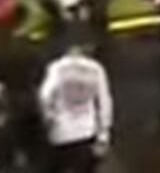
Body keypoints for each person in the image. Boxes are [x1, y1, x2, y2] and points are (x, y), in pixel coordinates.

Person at [38, 39, 113, 173]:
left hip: (61, 132)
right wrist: (103, 134)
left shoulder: (58, 67)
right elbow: (104, 102)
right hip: (87, 131)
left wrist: (48, 118)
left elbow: (45, 96)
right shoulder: (96, 69)